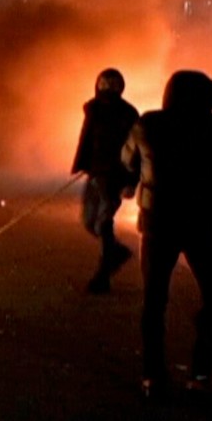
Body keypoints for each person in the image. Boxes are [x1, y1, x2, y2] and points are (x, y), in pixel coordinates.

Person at [121, 70, 212, 401]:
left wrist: (136, 175)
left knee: (154, 301)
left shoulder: (148, 123)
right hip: (204, 224)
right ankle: (200, 374)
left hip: (159, 223)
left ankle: (152, 376)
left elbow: (127, 159)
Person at [71, 68, 139, 294]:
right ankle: (117, 253)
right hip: (95, 174)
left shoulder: (128, 114)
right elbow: (87, 140)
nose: (108, 87)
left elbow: (137, 151)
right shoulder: (93, 109)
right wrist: (84, 164)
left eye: (113, 83)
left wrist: (131, 181)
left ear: (120, 86)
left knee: (103, 222)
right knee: (89, 221)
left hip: (114, 177)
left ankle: (103, 276)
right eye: (104, 82)